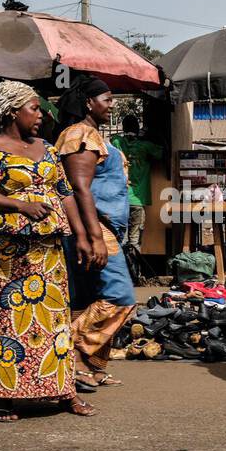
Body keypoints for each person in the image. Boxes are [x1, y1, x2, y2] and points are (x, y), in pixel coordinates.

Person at [0, 80, 95, 420]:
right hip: (5, 255)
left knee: (55, 321)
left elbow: (65, 193)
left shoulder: (48, 149)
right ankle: (5, 397)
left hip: (48, 251)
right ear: (12, 111)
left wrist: (81, 235)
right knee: (8, 321)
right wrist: (20, 205)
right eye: (34, 108)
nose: (41, 114)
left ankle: (65, 393)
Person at [54, 75, 136, 391]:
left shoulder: (94, 135)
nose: (112, 105)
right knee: (120, 296)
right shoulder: (78, 135)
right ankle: (67, 354)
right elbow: (79, 188)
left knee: (90, 298)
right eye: (107, 99)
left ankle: (92, 367)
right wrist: (94, 236)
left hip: (104, 226)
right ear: (89, 102)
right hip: (96, 227)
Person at [111, 114, 164, 250]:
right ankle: (135, 270)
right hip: (137, 200)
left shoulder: (117, 142)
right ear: (137, 127)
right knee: (134, 241)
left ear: (123, 127)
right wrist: (146, 136)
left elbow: (113, 139)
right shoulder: (145, 146)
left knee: (120, 239)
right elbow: (161, 152)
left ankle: (122, 268)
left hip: (120, 199)